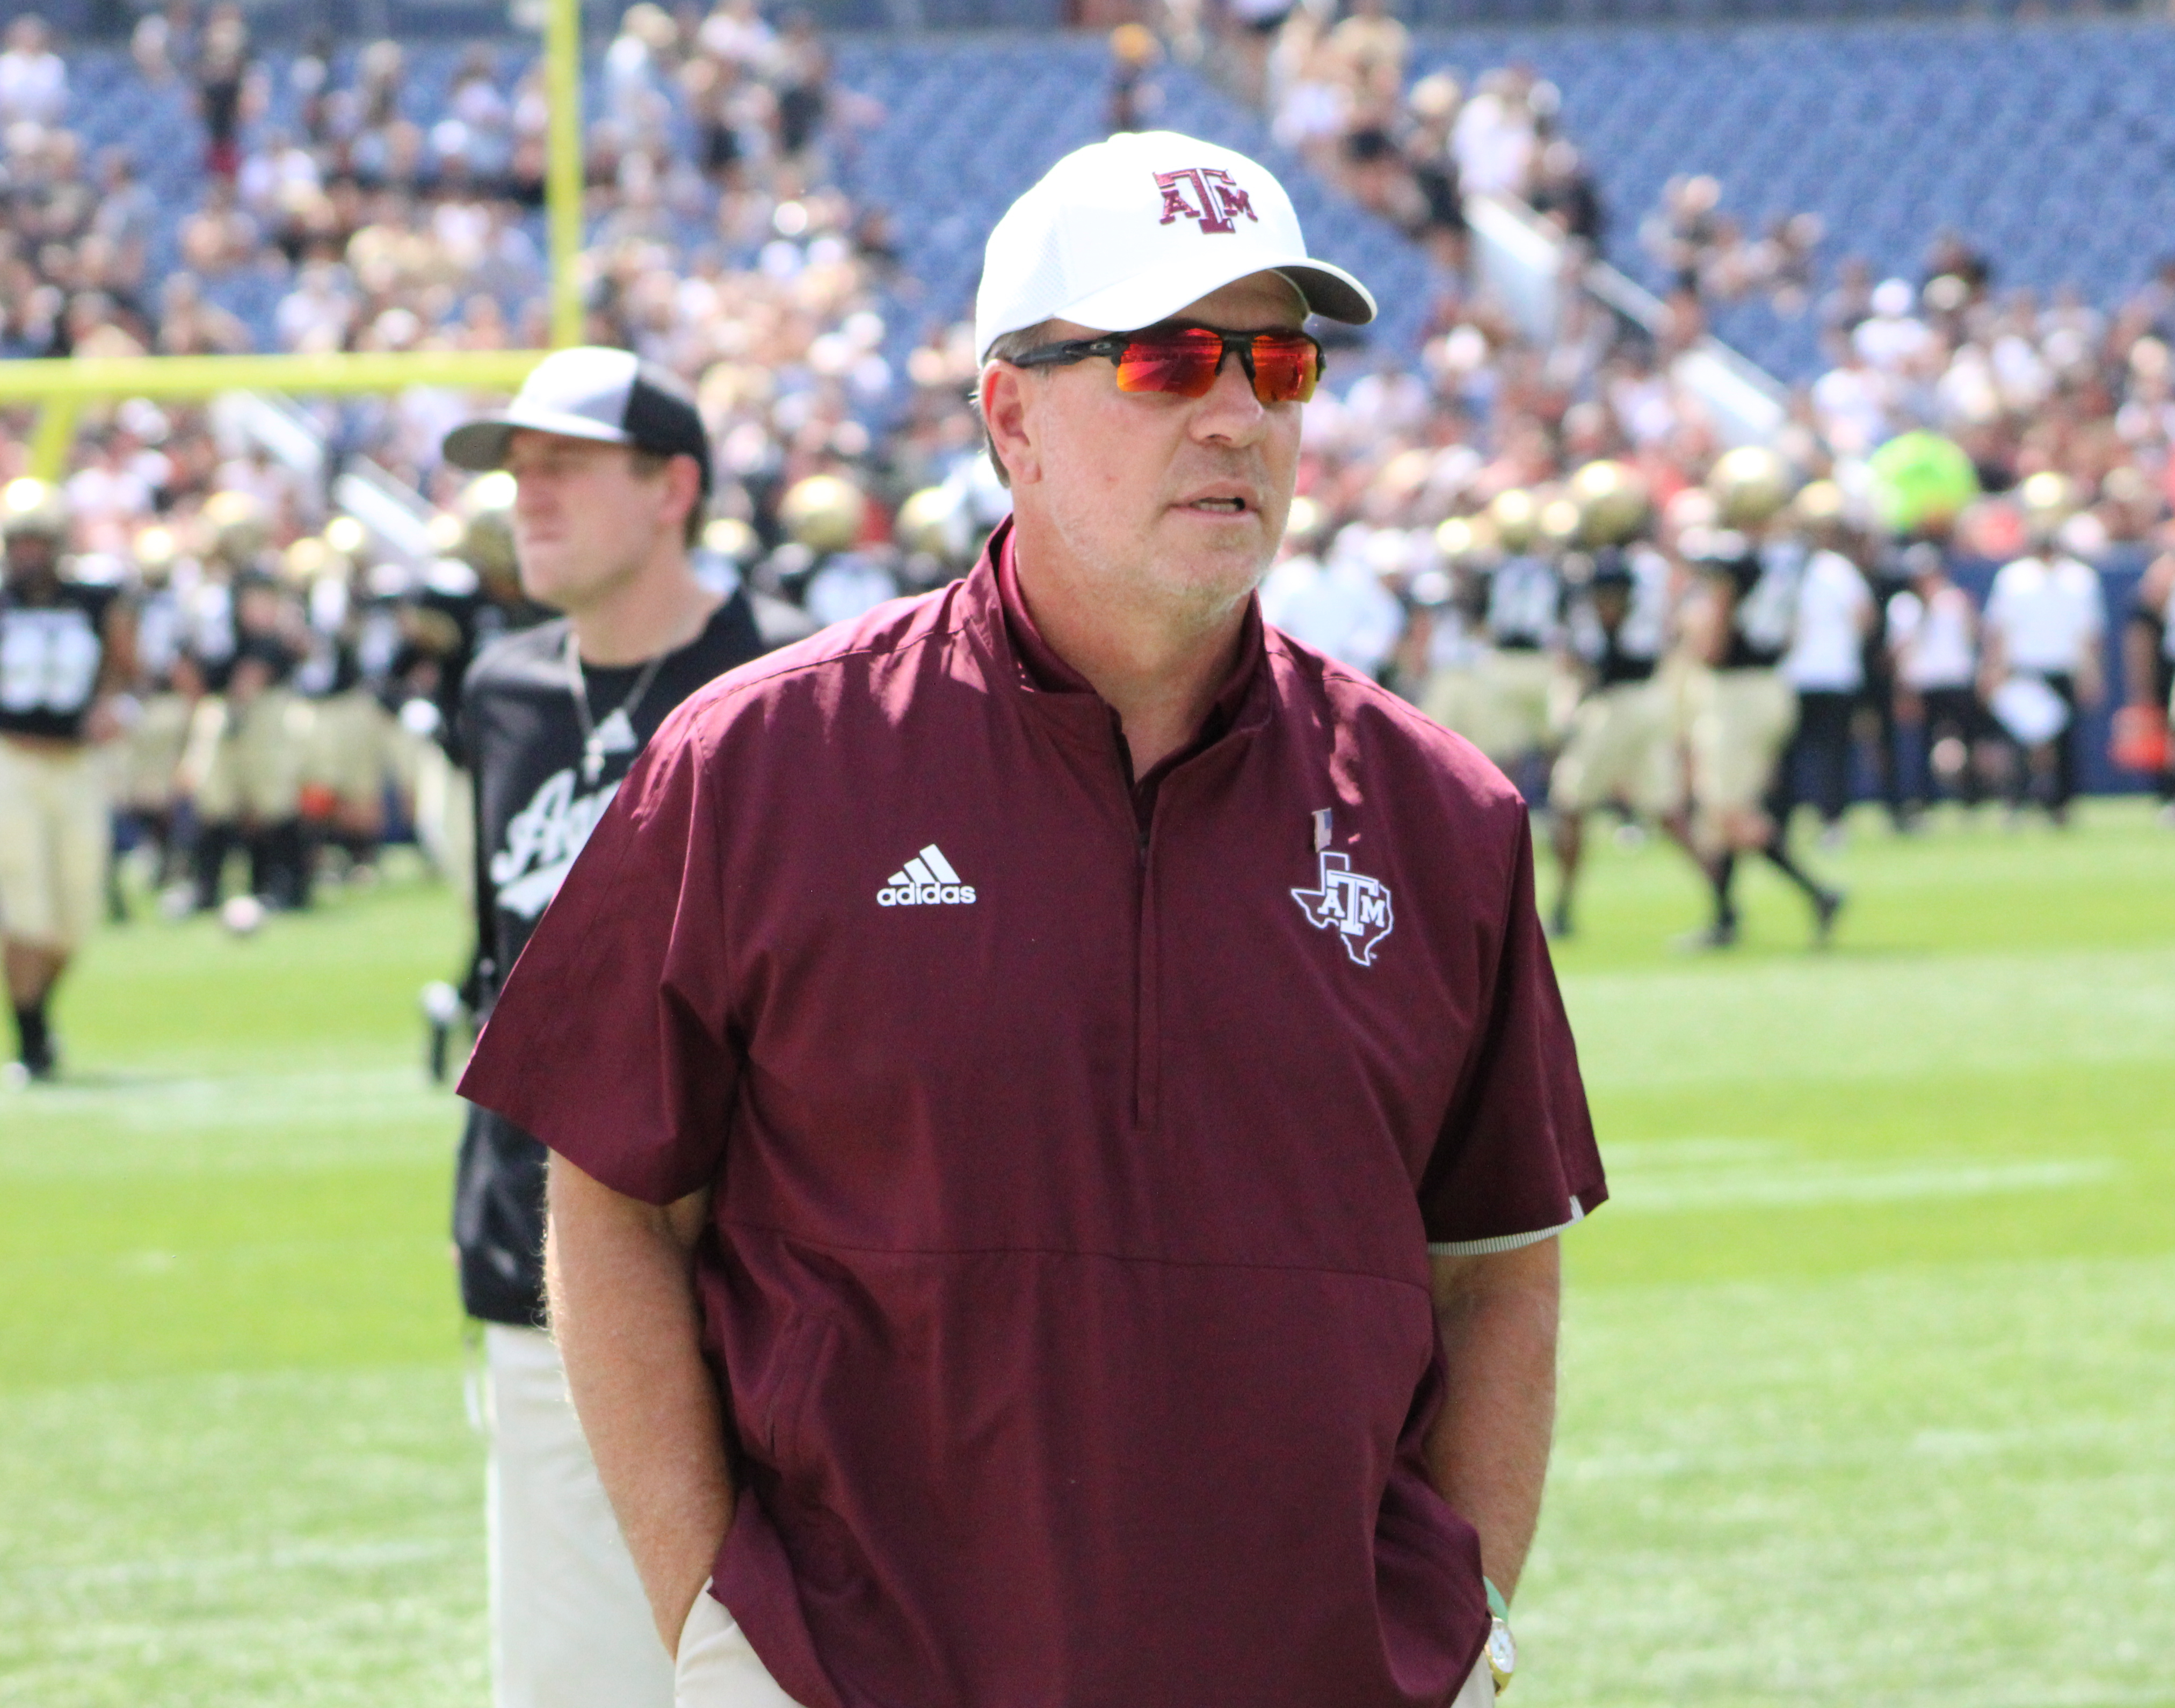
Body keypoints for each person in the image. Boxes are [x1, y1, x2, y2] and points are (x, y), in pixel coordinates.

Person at [461, 130, 1604, 1708]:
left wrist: (1452, 1618)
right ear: (1012, 413)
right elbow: (610, 1204)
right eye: (1167, 357)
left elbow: (1498, 1267)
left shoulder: (1444, 814)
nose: (1237, 411)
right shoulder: (761, 763)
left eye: (1280, 362)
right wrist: (714, 1625)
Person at [440, 346, 796, 1708]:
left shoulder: (787, 686)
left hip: (764, 1279)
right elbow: (501, 965)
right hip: (542, 1272)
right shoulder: (501, 692)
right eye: (515, 472)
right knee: (574, 1681)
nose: (527, 497)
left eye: (566, 467)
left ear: (672, 488)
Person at [0, 479, 135, 1082]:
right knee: (25, 908)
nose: (27, 552)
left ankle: (37, 1014)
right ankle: (31, 1039)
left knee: (76, 912)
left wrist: (113, 704)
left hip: (78, 764)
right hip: (12, 761)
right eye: (18, 540)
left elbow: (125, 667)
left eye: (37, 540)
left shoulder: (96, 597)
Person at [1681, 526, 1845, 948]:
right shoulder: (1785, 562)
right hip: (1772, 687)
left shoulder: (1733, 568)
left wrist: (1693, 636)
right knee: (1722, 815)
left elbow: (1712, 648)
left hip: (1737, 695)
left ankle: (1818, 893)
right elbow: (1794, 631)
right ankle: (1724, 919)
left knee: (1725, 813)